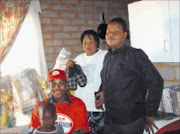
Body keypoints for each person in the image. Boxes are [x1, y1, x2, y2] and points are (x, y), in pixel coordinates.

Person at [95, 17, 164, 134]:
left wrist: (149, 112)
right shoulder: (107, 56)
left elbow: (156, 82)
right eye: (108, 31)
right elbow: (107, 79)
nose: (110, 34)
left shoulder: (135, 55)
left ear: (125, 34)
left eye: (116, 31)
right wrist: (102, 91)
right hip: (110, 120)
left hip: (130, 122)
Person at [66, 30, 107, 134]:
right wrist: (68, 66)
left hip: (97, 106)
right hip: (81, 107)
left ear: (97, 43)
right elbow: (70, 80)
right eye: (84, 42)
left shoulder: (105, 55)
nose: (87, 45)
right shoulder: (78, 59)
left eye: (91, 42)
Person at [29, 69, 90, 134]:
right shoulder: (40, 107)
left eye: (61, 83)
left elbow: (80, 131)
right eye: (53, 84)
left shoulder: (78, 104)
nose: (57, 87)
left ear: (67, 84)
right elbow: (33, 130)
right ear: (49, 87)